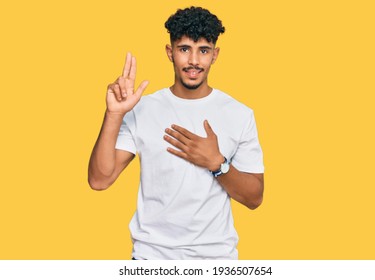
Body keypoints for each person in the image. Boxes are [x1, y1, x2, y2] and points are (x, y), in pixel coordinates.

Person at [88, 6, 264, 260]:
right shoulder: (142, 109)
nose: (194, 61)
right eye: (184, 49)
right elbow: (99, 180)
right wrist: (114, 115)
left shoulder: (239, 114)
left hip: (216, 260)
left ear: (215, 55)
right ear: (170, 52)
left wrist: (217, 163)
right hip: (151, 259)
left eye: (203, 50)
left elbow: (254, 197)